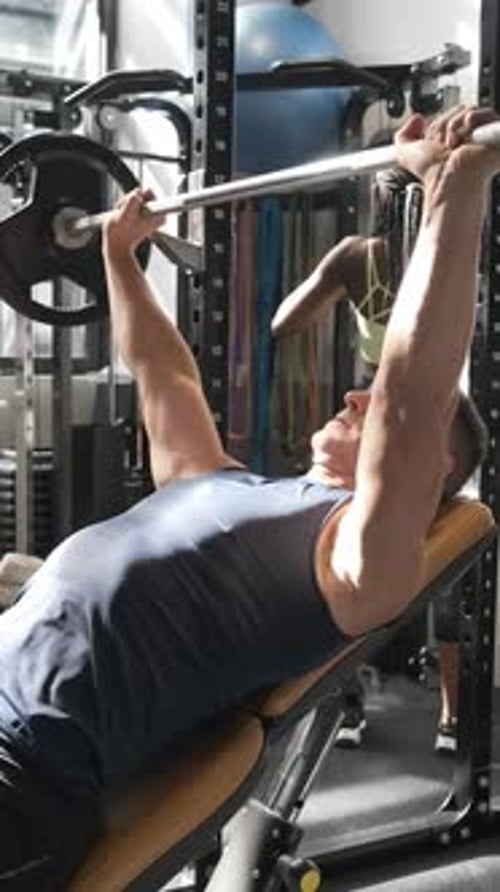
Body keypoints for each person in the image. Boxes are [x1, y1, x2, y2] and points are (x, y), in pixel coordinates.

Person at [0, 105, 496, 890]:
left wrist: (454, 187)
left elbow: (411, 392)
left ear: (433, 462)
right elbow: (165, 376)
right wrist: (118, 257)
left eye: (369, 401)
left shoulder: (353, 559)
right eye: (358, 393)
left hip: (22, 779)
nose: (354, 397)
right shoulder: (222, 481)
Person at [271, 167, 481, 755]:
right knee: (438, 564)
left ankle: (356, 706)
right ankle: (449, 715)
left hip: (402, 431)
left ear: (376, 199)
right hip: (439, 429)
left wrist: (351, 297)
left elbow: (284, 321)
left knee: (350, 560)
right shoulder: (472, 247)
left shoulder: (358, 258)